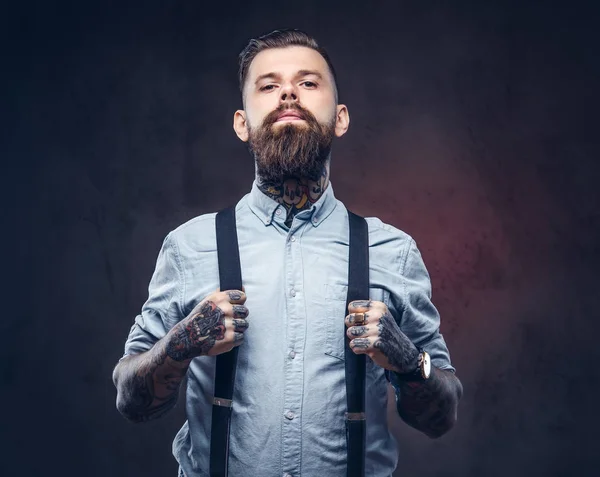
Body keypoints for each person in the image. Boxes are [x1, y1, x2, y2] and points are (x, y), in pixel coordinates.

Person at [112, 28, 463, 477]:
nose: (289, 94)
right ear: (242, 123)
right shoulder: (188, 247)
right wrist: (179, 345)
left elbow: (442, 417)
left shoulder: (392, 252)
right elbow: (130, 402)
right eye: (269, 85)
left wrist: (410, 362)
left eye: (308, 83)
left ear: (340, 118)